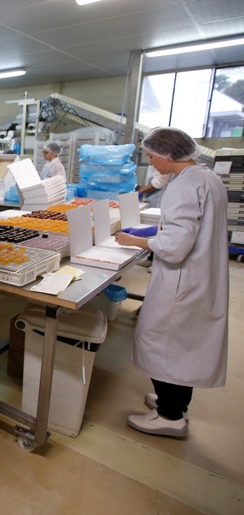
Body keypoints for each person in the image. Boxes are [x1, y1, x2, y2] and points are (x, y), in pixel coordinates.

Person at [115, 127, 228, 438]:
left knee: (160, 342)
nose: (151, 163)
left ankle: (170, 415)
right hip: (201, 278)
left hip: (182, 282)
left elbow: (175, 247)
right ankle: (174, 401)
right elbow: (189, 227)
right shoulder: (205, 177)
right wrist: (154, 232)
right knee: (184, 347)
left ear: (167, 153)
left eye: (152, 156)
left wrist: (134, 241)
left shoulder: (183, 186)